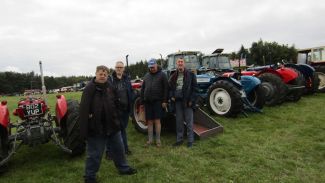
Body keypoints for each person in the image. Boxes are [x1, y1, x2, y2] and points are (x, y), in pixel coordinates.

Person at [79, 65, 136, 183]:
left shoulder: (110, 86)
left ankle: (123, 168)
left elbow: (116, 102)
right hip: (96, 129)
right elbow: (83, 110)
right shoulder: (89, 89)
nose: (103, 76)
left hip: (113, 126)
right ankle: (89, 177)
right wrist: (84, 131)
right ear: (96, 74)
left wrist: (118, 117)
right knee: (95, 154)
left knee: (119, 149)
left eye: (105, 74)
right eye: (100, 74)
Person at [106, 61, 133, 159]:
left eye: (120, 67)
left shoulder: (127, 79)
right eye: (117, 67)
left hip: (125, 110)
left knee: (122, 130)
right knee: (112, 131)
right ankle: (109, 152)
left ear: (123, 69)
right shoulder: (110, 79)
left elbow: (130, 92)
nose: (119, 69)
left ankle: (125, 149)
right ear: (114, 68)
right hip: (115, 110)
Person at [168, 58, 198, 148]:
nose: (180, 63)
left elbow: (195, 89)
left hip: (187, 101)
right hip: (177, 101)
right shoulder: (173, 76)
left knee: (189, 122)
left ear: (184, 64)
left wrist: (191, 100)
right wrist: (171, 96)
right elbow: (170, 89)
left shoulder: (191, 75)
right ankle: (179, 139)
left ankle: (190, 141)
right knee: (179, 121)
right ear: (176, 64)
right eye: (178, 62)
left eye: (181, 62)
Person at [140, 59, 168, 147]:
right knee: (149, 122)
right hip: (148, 102)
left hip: (158, 102)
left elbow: (166, 89)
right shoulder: (146, 76)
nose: (152, 69)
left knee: (157, 121)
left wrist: (164, 101)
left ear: (156, 65)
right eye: (150, 67)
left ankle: (158, 140)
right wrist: (142, 101)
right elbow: (143, 89)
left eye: (153, 67)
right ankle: (150, 140)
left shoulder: (162, 75)